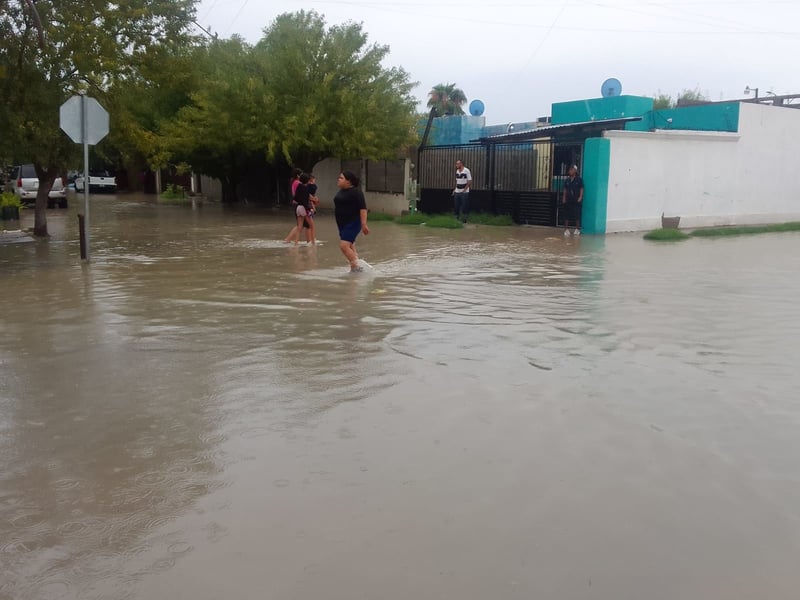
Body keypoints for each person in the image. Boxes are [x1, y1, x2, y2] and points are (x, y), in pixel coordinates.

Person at [333, 170, 369, 272]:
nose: (338, 180)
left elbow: (363, 209)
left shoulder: (356, 192)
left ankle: (358, 267)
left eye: (341, 178)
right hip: (342, 223)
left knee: (344, 246)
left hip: (353, 222)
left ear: (348, 181)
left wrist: (364, 224)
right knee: (350, 246)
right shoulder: (341, 191)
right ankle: (354, 269)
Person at [286, 173, 315, 245]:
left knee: (299, 227)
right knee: (312, 226)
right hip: (304, 208)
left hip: (298, 208)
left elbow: (295, 198)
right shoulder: (306, 189)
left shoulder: (299, 186)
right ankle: (313, 243)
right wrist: (309, 209)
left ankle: (296, 243)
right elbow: (305, 201)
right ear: (308, 180)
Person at [562, 165, 584, 236]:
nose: (570, 171)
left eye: (572, 169)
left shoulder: (579, 179)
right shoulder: (567, 180)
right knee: (566, 214)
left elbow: (581, 188)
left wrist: (580, 197)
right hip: (568, 200)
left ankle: (577, 229)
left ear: (575, 171)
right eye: (569, 170)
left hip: (576, 200)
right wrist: (564, 198)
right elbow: (565, 189)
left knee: (576, 214)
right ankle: (566, 229)